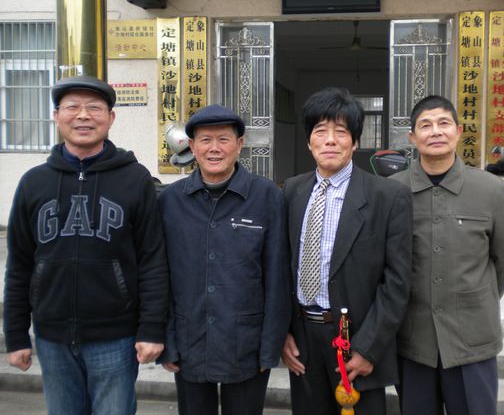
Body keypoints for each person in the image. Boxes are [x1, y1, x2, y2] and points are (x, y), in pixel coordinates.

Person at [3, 75, 169, 415]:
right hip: (52, 337)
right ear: (56, 115)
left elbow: (152, 260)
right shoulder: (34, 183)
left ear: (110, 117)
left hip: (116, 337)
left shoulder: (134, 179)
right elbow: (19, 264)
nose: (83, 116)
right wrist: (16, 334)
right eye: (72, 107)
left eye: (94, 107)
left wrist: (151, 329)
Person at [281, 87, 413, 414]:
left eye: (340, 132)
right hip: (303, 339)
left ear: (354, 142)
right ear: (308, 141)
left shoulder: (387, 197)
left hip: (356, 341)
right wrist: (283, 333)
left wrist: (369, 348)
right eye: (320, 131)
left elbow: (397, 282)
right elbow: (281, 267)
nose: (330, 140)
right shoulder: (292, 191)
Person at [390, 95, 504, 415]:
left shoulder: (491, 190)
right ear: (412, 137)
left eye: (444, 123)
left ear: (458, 132)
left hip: (472, 340)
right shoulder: (393, 191)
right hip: (414, 340)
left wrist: (476, 297)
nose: (435, 131)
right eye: (425, 125)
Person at [158, 104, 290, 415]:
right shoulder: (170, 200)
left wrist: (269, 348)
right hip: (189, 339)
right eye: (205, 140)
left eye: (224, 139)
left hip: (245, 342)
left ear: (239, 144)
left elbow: (277, 278)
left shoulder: (266, 196)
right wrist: (167, 342)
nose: (214, 148)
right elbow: (160, 275)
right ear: (192, 147)